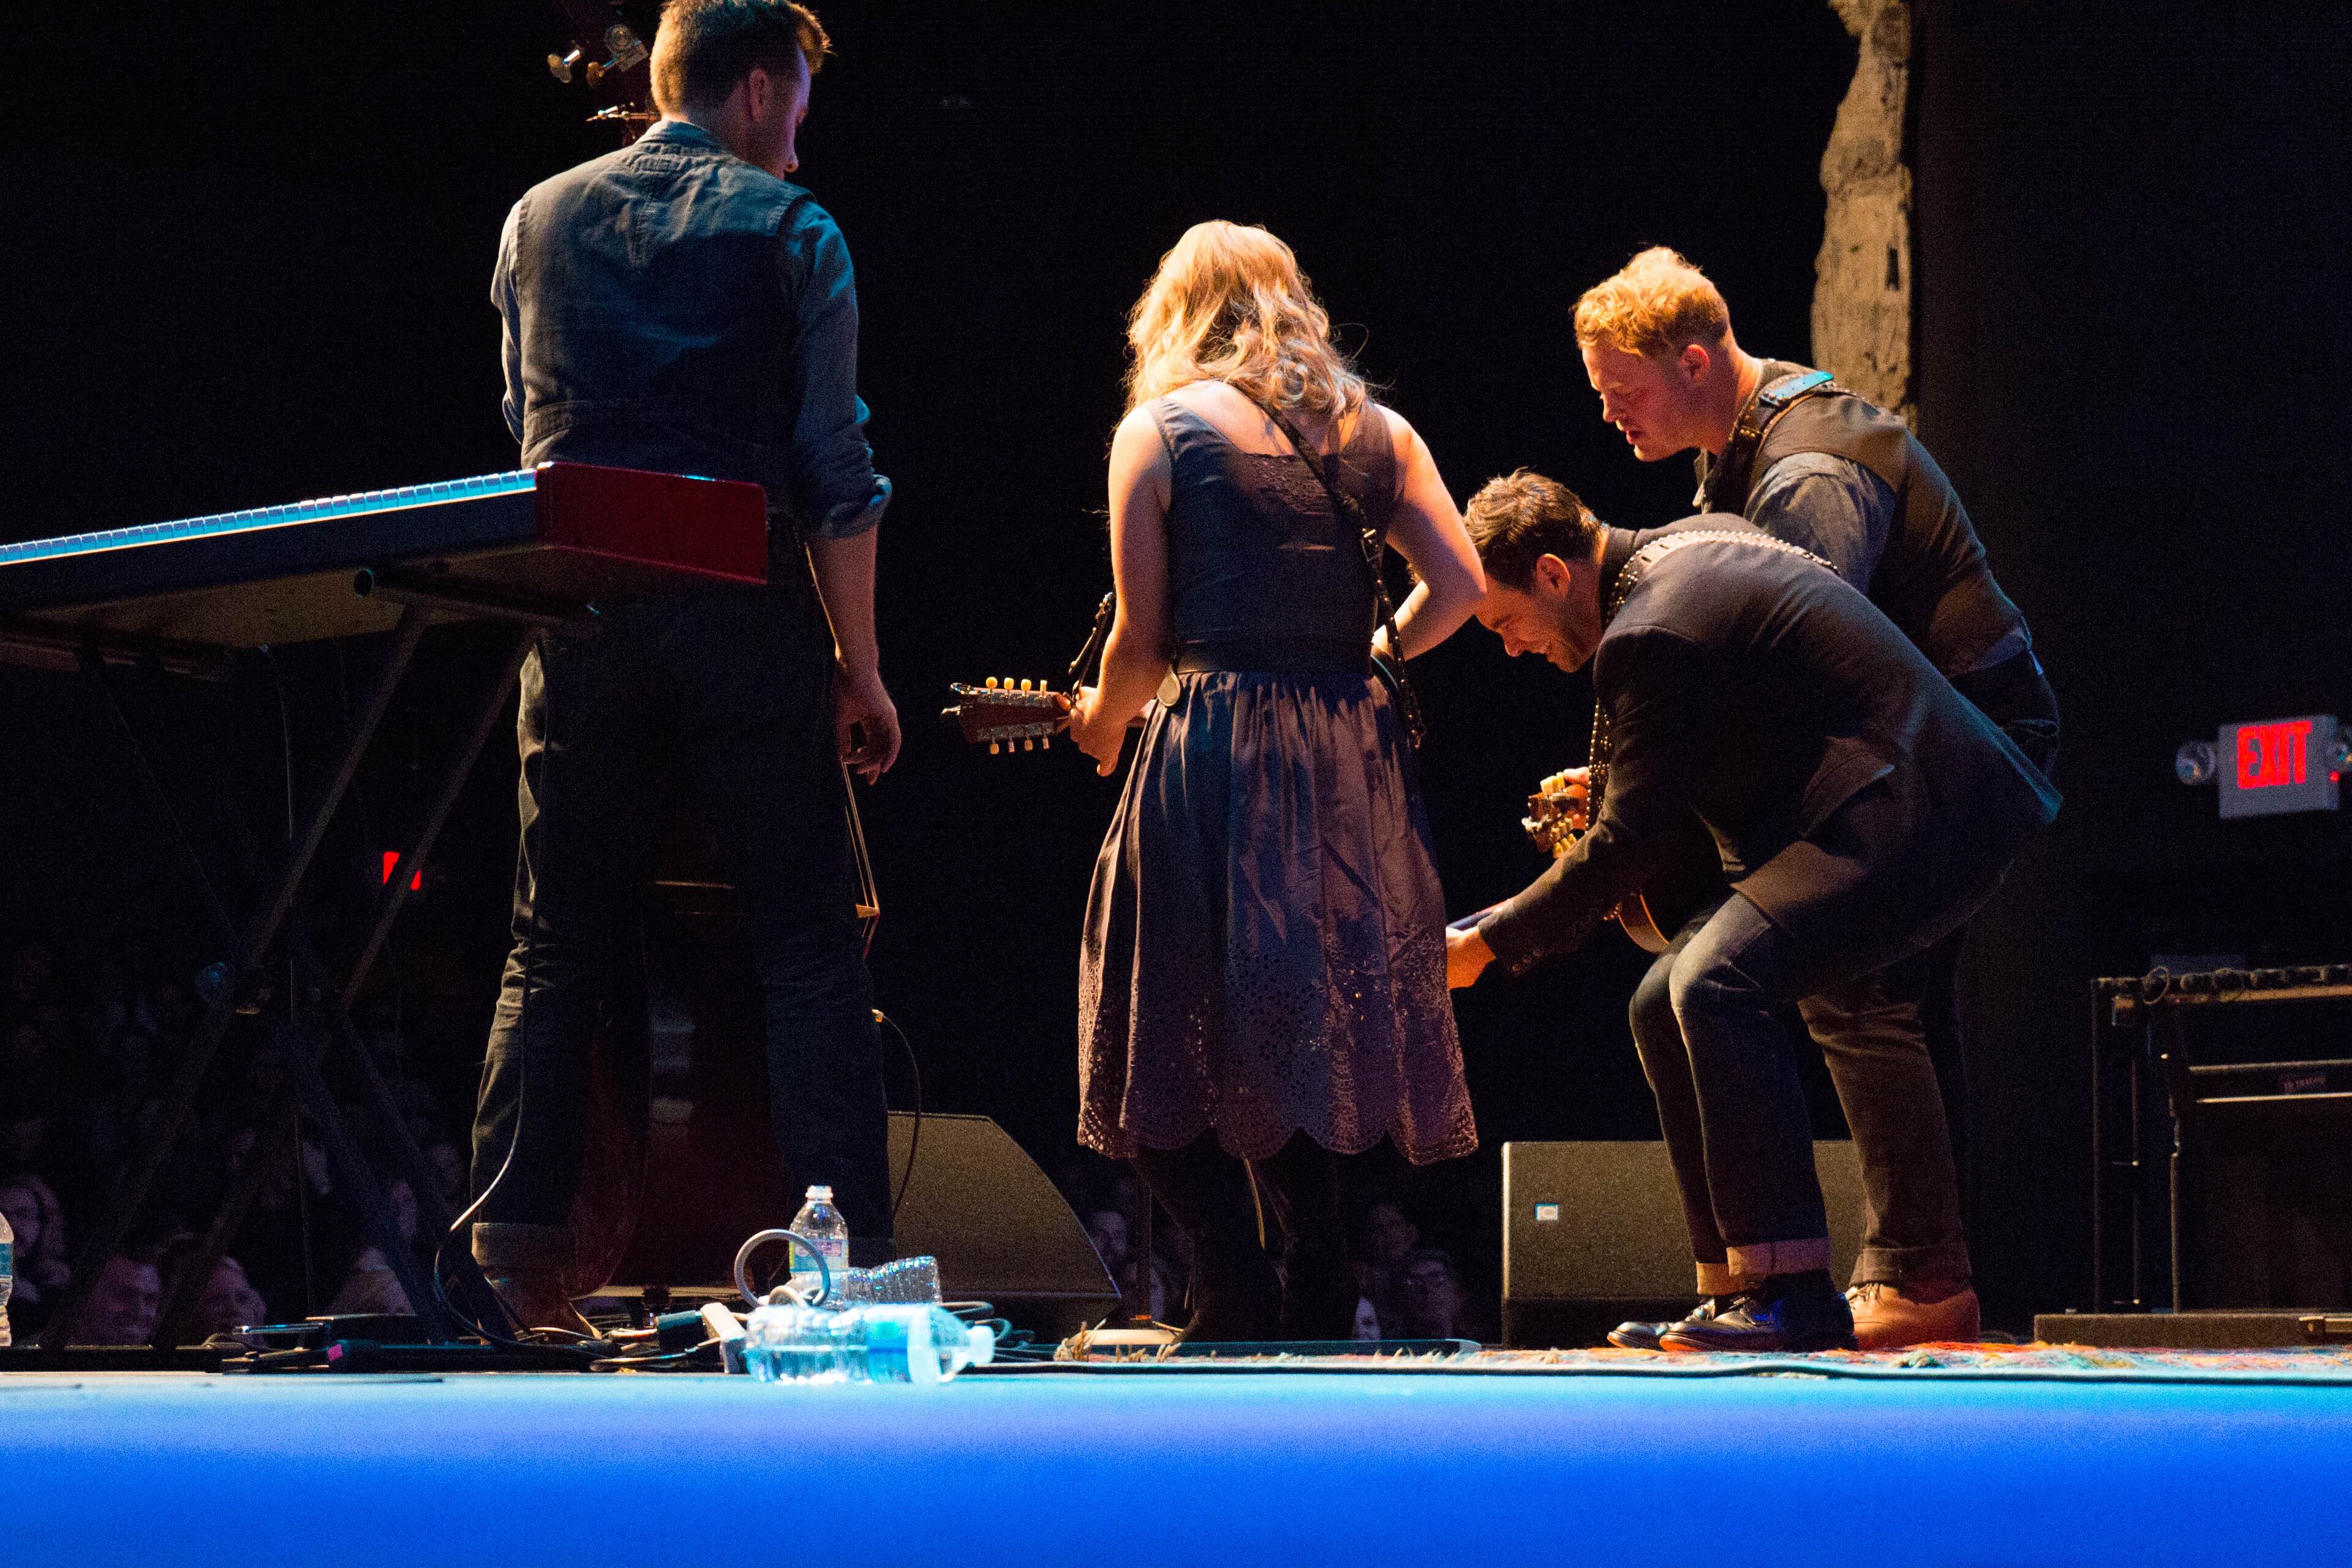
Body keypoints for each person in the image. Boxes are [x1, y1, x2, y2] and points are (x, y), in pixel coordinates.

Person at [474, 0, 898, 1332]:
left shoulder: (536, 218)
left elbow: (525, 434)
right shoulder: (795, 229)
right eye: (802, 106)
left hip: (579, 606)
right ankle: (845, 1268)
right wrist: (862, 671)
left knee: (554, 938)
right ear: (766, 90)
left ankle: (514, 1260)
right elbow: (837, 476)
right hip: (735, 602)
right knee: (806, 944)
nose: (799, 137)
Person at [1569, 247, 2060, 1348]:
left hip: (1969, 741)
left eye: (1622, 391)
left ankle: (1917, 1279)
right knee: (1879, 989)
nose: (1608, 415)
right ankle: (1919, 1274)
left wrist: (1651, 780)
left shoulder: (1808, 476)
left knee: (1851, 975)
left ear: (1694, 361)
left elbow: (1787, 667)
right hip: (1922, 738)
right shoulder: (1740, 453)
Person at [1446, 473, 2058, 1351]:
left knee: (1715, 980)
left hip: (1927, 803)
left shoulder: (1651, 625)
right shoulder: (1684, 553)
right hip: (1882, 800)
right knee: (1659, 1000)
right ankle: (1734, 1286)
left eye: (1504, 624)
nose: (1510, 649)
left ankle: (1793, 1293)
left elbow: (1626, 847)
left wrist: (1487, 944)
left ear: (1550, 573)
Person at [1068, 221, 1487, 1341]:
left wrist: (1102, 732)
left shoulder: (1156, 433)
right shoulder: (1382, 433)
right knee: (1318, 1029)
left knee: (1165, 1011)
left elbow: (1141, 648)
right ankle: (1313, 1284)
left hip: (1214, 751)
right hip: (1347, 761)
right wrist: (1375, 656)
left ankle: (1231, 1279)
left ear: (1176, 314)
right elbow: (1462, 583)